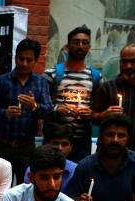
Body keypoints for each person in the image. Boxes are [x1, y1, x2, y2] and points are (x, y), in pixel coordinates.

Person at [0, 38, 52, 184]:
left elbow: (48, 111)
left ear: (36, 61)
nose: (24, 63)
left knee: (26, 189)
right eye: (21, 59)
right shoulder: (2, 81)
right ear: (15, 57)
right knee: (0, 189)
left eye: (29, 60)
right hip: (3, 146)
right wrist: (4, 113)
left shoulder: (41, 83)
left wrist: (34, 106)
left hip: (27, 148)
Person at [66, 114, 135, 201]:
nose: (115, 140)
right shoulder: (85, 166)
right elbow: (70, 200)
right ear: (100, 136)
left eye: (121, 136)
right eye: (110, 135)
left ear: (128, 138)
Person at [43, 26, 102, 162]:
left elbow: (98, 110)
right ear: (67, 46)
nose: (80, 46)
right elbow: (40, 106)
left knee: (79, 175)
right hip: (55, 139)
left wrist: (91, 113)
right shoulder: (51, 74)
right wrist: (57, 109)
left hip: (81, 140)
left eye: (85, 42)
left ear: (89, 47)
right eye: (76, 42)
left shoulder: (96, 77)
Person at [24, 125, 77, 191]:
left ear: (71, 147)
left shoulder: (76, 170)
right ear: (48, 145)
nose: (59, 148)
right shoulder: (32, 169)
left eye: (64, 144)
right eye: (55, 143)